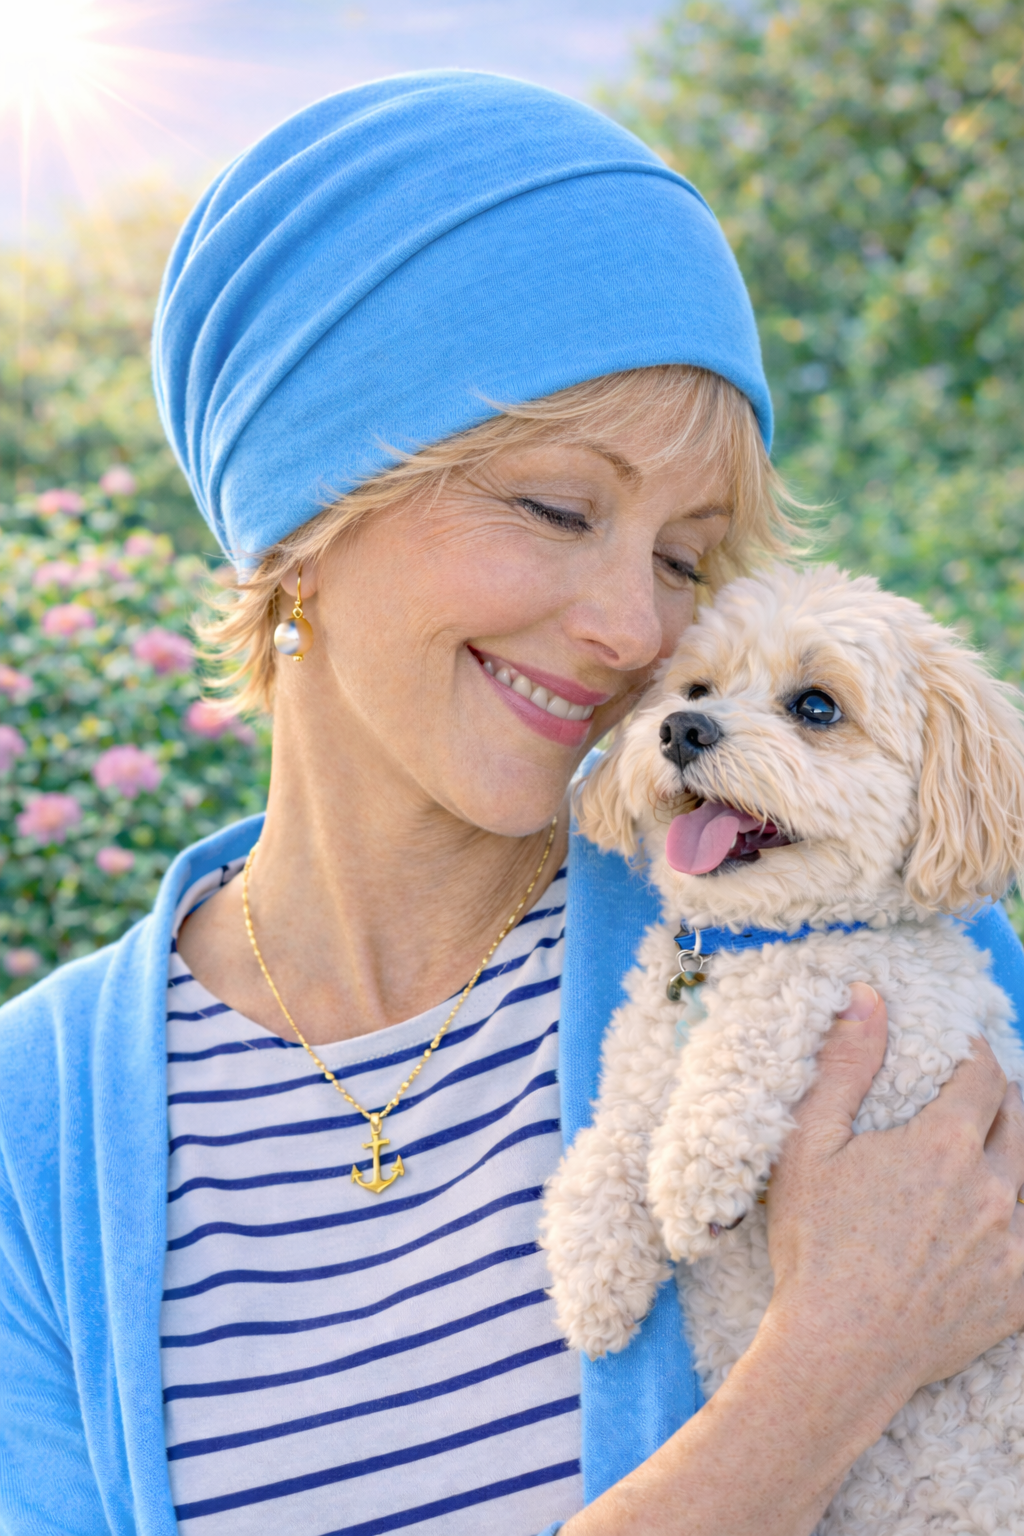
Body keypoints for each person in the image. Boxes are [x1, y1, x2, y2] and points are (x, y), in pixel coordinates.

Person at [1, 72, 1023, 1536]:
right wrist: (829, 1369)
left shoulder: (836, 934)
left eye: (685, 555)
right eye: (556, 508)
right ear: (304, 519)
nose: (631, 626)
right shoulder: (35, 1141)